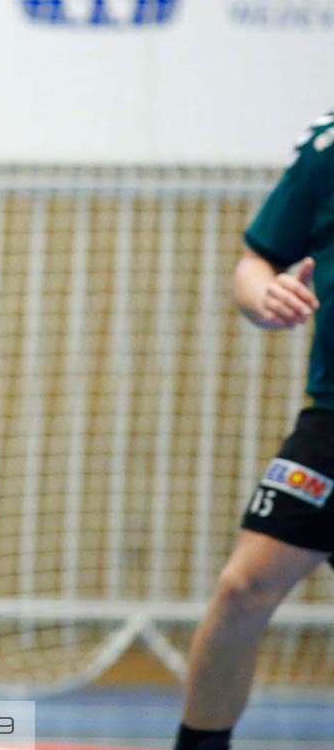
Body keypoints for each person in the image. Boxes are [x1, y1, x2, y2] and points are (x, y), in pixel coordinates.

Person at [174, 110, 332, 750]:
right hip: (332, 421)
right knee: (243, 587)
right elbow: (256, 261)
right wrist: (264, 298)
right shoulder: (330, 146)